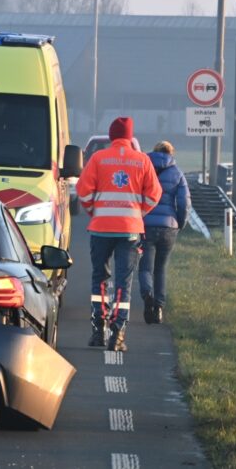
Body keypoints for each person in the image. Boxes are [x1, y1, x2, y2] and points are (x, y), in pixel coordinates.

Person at [76, 116, 162, 351]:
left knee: (99, 279)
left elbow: (83, 191)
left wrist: (93, 211)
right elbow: (154, 194)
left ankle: (98, 332)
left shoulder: (98, 158)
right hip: (130, 230)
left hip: (101, 229)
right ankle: (118, 334)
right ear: (130, 136)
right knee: (124, 282)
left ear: (112, 135)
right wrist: (138, 213)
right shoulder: (142, 161)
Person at [139, 140, 191, 324]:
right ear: (171, 153)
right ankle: (159, 308)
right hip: (169, 226)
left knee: (145, 266)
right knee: (160, 268)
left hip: (146, 224)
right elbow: (184, 203)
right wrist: (180, 223)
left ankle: (147, 294)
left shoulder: (144, 169)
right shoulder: (177, 173)